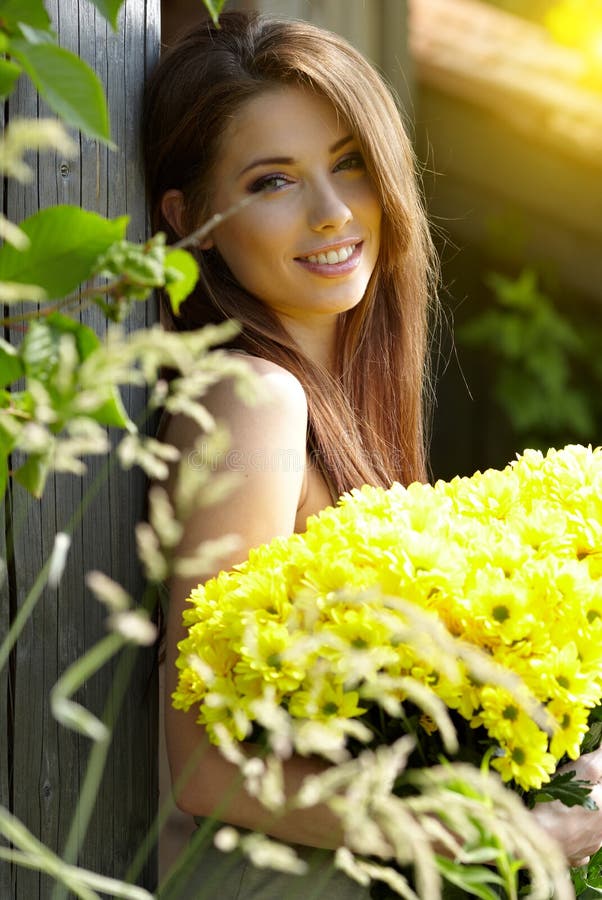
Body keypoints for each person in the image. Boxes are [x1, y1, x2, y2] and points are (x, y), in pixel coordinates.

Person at [144, 10, 602, 897]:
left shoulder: (342, 401)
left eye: (349, 163)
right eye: (272, 181)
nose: (331, 213)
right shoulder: (254, 401)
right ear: (189, 217)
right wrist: (477, 827)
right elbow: (201, 769)